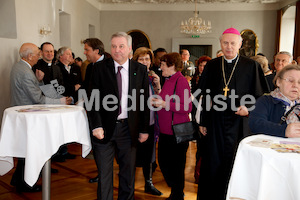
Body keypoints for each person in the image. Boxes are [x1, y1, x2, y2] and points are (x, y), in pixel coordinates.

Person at [197, 27, 269, 200]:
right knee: (213, 163)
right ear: (220, 43)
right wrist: (203, 122)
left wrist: (249, 109)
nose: (228, 47)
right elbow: (204, 95)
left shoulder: (251, 66)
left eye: (232, 43)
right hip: (215, 122)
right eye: (225, 43)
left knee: (236, 163)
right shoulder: (213, 65)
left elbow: (261, 96)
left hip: (240, 124)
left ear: (240, 44)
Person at [88, 32, 150, 200]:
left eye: (121, 46)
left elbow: (144, 102)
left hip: (128, 130)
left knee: (127, 175)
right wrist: (96, 125)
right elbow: (92, 100)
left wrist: (144, 129)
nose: (117, 50)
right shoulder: (100, 68)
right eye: (114, 46)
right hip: (104, 130)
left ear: (129, 48)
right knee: (105, 176)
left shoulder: (140, 70)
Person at [10, 43, 71, 193]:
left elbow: (31, 89)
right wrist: (60, 102)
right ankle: (25, 184)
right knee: (30, 151)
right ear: (29, 56)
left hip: (24, 113)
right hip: (28, 115)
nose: (39, 56)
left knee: (25, 151)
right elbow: (38, 99)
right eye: (38, 53)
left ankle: (17, 180)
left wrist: (39, 80)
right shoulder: (25, 71)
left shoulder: (21, 67)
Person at [152, 52, 192, 200]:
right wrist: (158, 89)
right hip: (166, 131)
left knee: (176, 166)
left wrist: (163, 104)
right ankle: (176, 190)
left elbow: (187, 107)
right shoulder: (168, 80)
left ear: (172, 65)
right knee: (163, 162)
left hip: (177, 132)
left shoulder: (181, 81)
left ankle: (177, 194)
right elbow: (167, 98)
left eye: (163, 64)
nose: (160, 67)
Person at [132, 47, 162, 196]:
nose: (145, 62)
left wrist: (157, 85)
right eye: (141, 59)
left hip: (151, 121)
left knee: (150, 155)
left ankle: (148, 183)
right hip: (135, 123)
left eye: (147, 59)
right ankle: (129, 184)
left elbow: (159, 98)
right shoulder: (132, 76)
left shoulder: (152, 76)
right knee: (132, 154)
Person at [249, 64, 300, 138]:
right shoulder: (265, 101)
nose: (295, 85)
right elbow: (256, 124)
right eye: (290, 80)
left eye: (299, 82)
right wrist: (283, 130)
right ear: (278, 81)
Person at [80, 38, 106, 184]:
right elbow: (86, 87)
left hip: (105, 113)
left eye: (87, 50)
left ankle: (105, 174)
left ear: (96, 51)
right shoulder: (90, 67)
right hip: (92, 112)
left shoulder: (109, 65)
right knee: (97, 146)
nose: (84, 53)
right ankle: (101, 173)